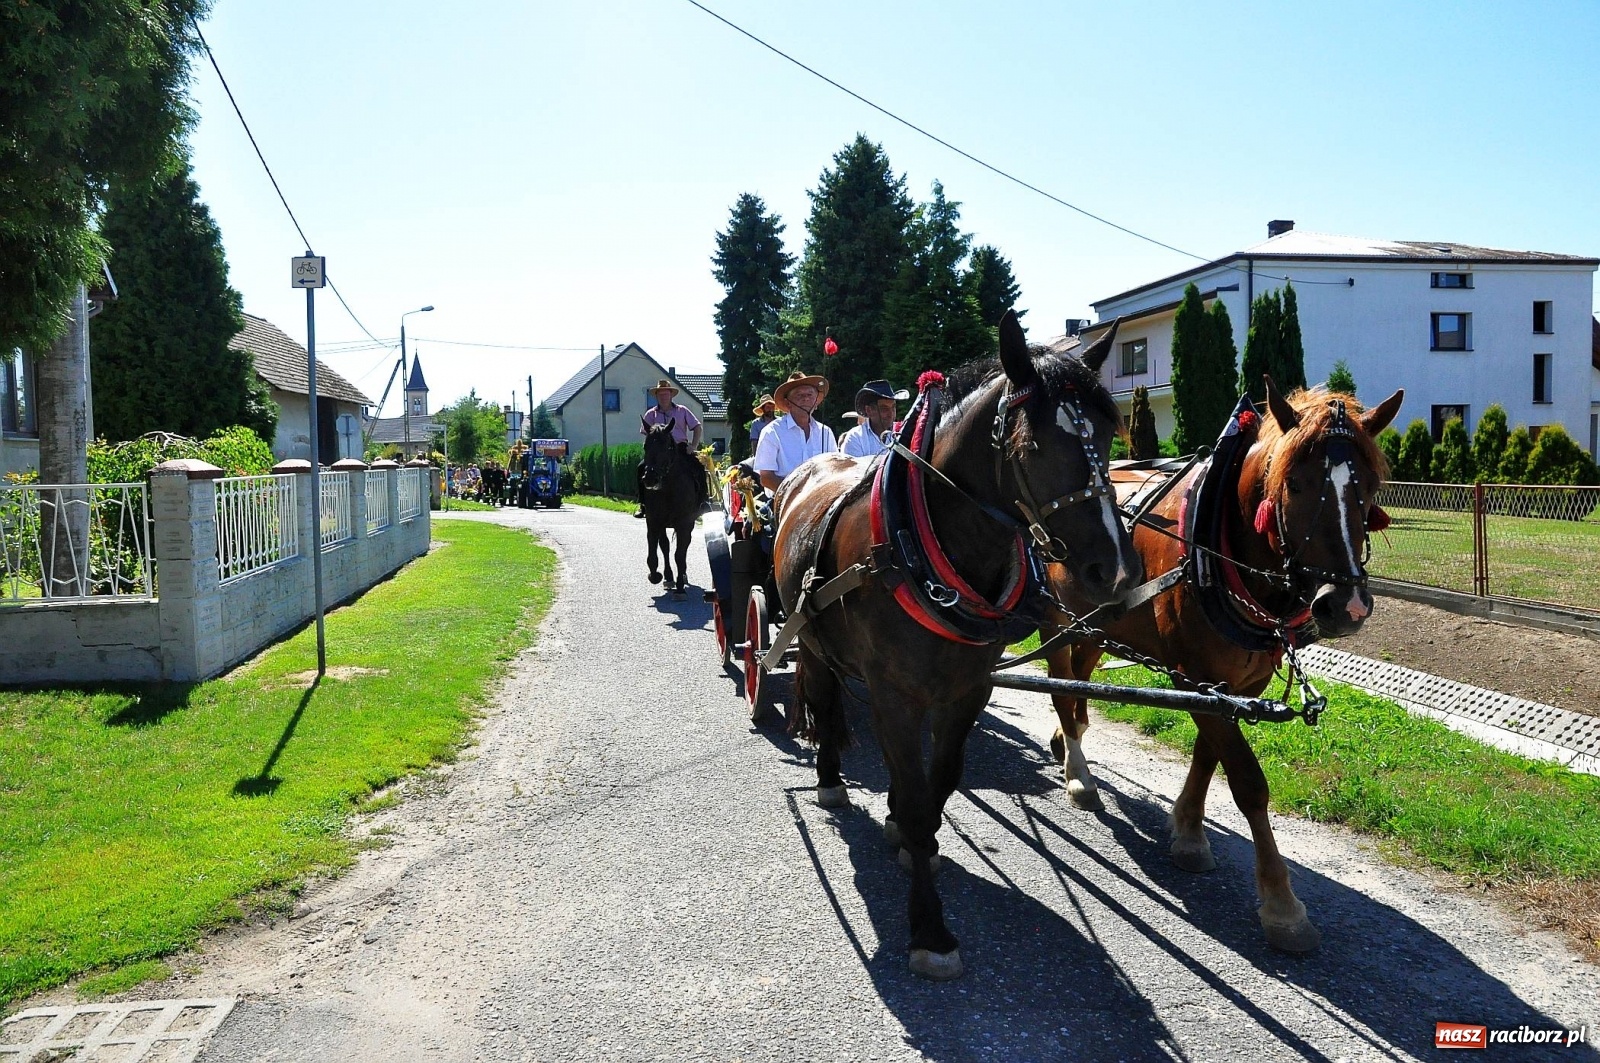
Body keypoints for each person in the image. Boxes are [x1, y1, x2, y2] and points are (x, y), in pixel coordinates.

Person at [635, 378, 709, 515]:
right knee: (641, 467)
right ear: (656, 396)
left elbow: (697, 427)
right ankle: (642, 503)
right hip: (659, 453)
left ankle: (703, 501)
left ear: (671, 395)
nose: (663, 396)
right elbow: (647, 435)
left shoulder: (682, 410)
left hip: (680, 449)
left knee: (698, 467)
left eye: (666, 394)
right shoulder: (650, 414)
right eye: (660, 394)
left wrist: (693, 446)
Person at [754, 371, 836, 493]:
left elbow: (835, 469)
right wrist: (797, 496)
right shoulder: (772, 432)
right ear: (788, 403)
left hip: (821, 499)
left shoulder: (826, 432)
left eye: (810, 394)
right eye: (799, 395)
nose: (806, 398)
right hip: (782, 500)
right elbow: (766, 478)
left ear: (816, 402)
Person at [837, 379, 908, 459]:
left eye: (893, 407)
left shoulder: (901, 434)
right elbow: (854, 467)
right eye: (884, 409)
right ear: (869, 410)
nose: (891, 414)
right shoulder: (856, 437)